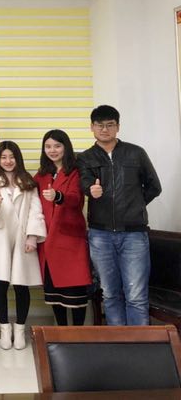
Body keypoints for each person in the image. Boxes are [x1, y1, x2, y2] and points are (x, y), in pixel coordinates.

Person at [77, 105, 162, 326]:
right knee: (110, 293)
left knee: (136, 295)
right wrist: (91, 190)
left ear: (118, 127)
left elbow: (154, 186)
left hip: (134, 234)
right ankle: (118, 341)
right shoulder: (85, 158)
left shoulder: (136, 153)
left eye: (110, 125)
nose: (104, 129)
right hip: (100, 235)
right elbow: (84, 182)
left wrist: (135, 205)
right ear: (92, 127)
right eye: (100, 125)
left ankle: (140, 342)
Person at [0, 141, 46, 350]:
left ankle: (20, 330)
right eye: (3, 157)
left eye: (12, 157)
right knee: (0, 284)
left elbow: (35, 210)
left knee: (21, 284)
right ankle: (5, 330)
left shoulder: (28, 181)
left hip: (22, 238)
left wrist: (32, 237)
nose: (8, 161)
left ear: (18, 158)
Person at [34, 130, 92, 326]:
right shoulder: (41, 175)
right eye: (48, 146)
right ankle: (60, 332)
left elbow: (76, 198)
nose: (52, 150)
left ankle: (78, 334)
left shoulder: (75, 171)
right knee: (54, 292)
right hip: (48, 241)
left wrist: (58, 196)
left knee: (75, 290)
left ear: (66, 147)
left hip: (70, 240)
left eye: (57, 146)